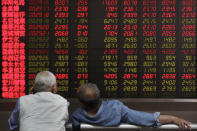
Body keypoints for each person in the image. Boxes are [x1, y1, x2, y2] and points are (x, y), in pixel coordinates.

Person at [72, 83, 191, 131]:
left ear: (82, 103)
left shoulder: (77, 116)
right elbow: (145, 118)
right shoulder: (116, 109)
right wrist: (174, 119)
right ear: (100, 95)